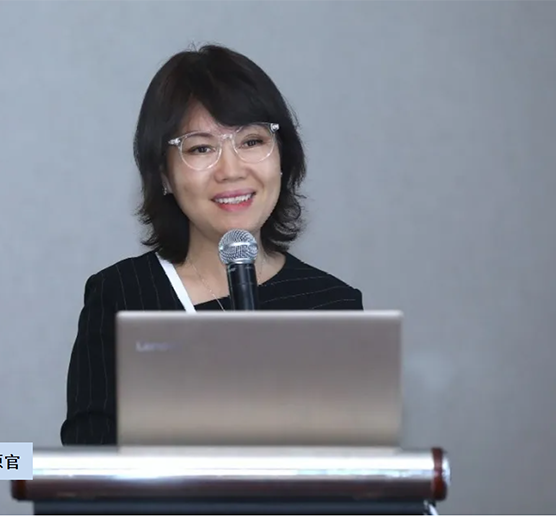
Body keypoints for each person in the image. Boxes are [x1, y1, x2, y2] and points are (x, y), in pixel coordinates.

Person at [60, 44, 363, 446]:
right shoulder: (122, 296)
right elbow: (87, 469)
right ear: (163, 175)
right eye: (201, 148)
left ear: (282, 157)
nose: (231, 170)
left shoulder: (334, 305)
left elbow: (354, 470)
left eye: (251, 141)